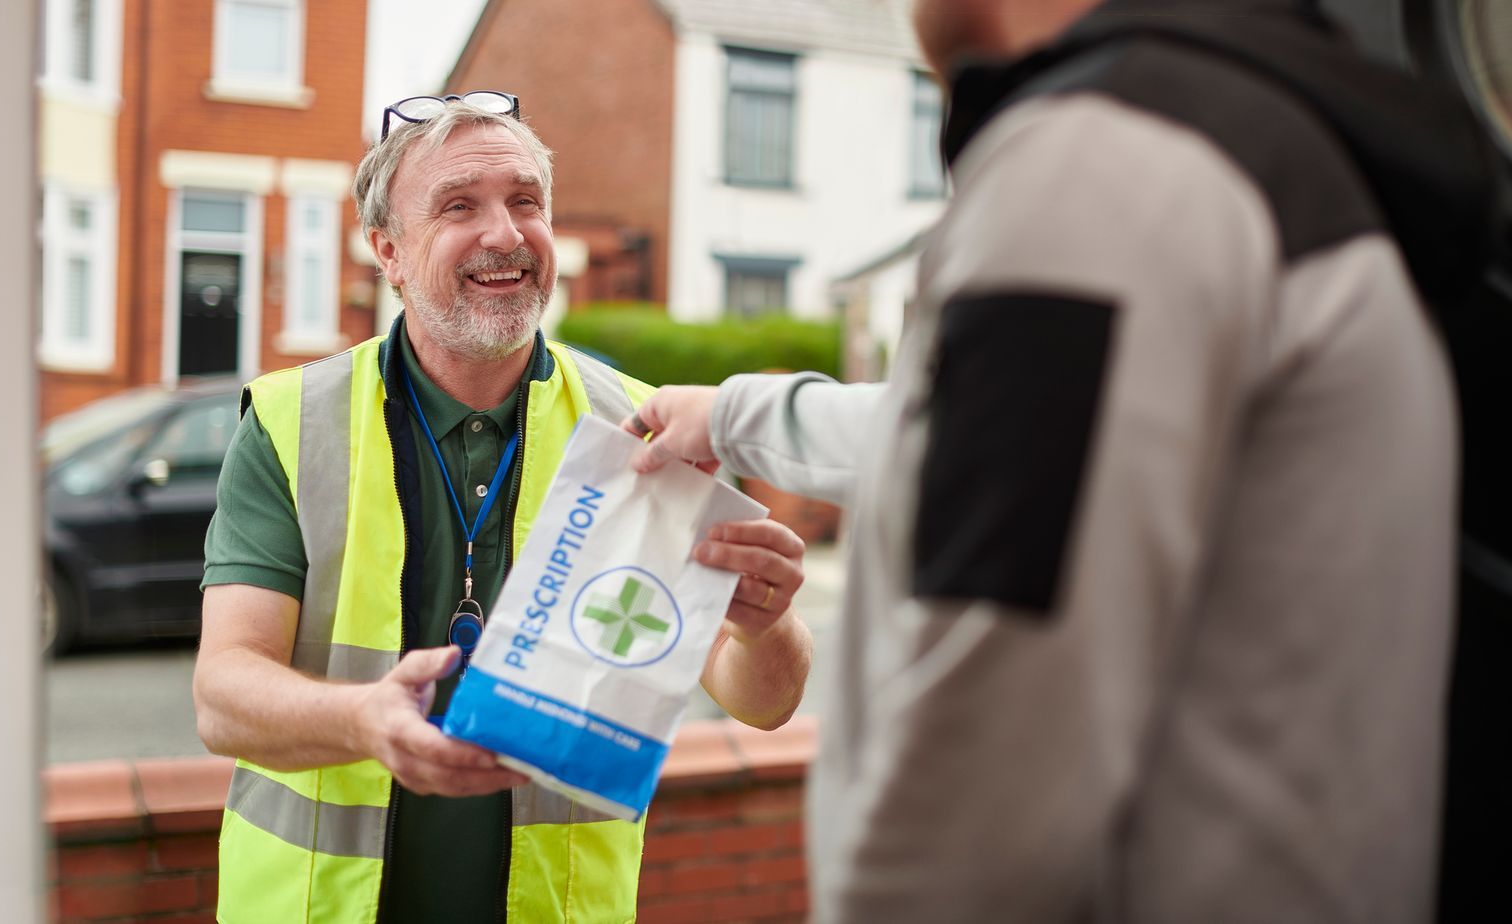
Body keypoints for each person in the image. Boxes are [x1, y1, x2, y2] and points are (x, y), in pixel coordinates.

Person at [627, 0, 1490, 919]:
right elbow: (961, 439)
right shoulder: (1241, 146)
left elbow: (982, 784)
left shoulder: (1100, 169)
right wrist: (732, 416)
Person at [192, 93, 814, 923]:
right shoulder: (291, 421)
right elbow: (223, 694)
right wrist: (361, 719)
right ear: (388, 251)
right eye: (459, 206)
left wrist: (767, 624)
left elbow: (761, 702)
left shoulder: (640, 426)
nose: (506, 234)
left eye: (526, 201)